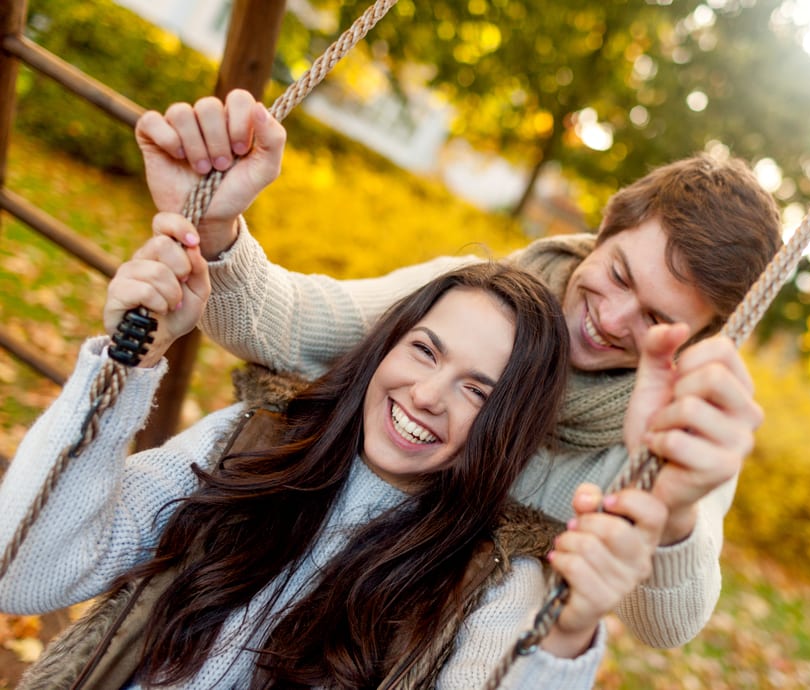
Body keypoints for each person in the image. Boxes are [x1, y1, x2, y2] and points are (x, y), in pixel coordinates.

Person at [134, 89, 784, 648]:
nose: (613, 320)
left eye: (655, 319)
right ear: (605, 229)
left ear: (700, 335)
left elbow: (666, 627)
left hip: (452, 656)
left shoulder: (676, 428)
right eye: (617, 274)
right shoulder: (477, 295)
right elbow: (288, 327)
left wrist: (671, 510)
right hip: (311, 601)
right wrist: (214, 232)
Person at [0, 223, 661, 689]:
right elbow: (22, 572)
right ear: (386, 345)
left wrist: (568, 638)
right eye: (425, 351)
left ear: (508, 429)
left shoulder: (489, 588)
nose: (427, 395)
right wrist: (125, 365)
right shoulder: (252, 443)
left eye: (477, 391)